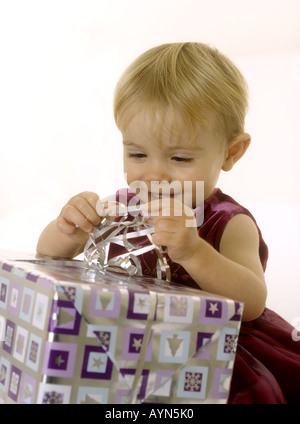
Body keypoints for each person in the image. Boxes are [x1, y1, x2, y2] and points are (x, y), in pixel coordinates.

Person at [37, 42, 300, 404]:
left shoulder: (227, 221)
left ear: (230, 152)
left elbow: (252, 302)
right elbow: (48, 256)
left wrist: (194, 252)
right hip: (123, 341)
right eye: (137, 154)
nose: (154, 173)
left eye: (179, 157)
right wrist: (68, 226)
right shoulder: (119, 208)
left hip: (206, 348)